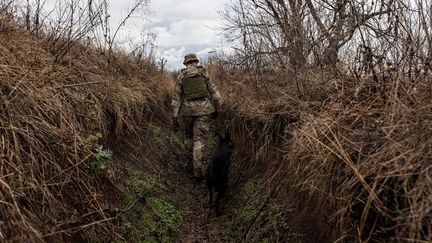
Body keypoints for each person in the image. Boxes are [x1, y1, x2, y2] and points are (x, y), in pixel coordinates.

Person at [172, 53, 221, 180]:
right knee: (199, 140)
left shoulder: (181, 76)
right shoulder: (204, 73)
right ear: (196, 62)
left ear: (186, 63)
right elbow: (215, 94)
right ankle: (198, 170)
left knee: (189, 137)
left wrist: (175, 117)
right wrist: (217, 110)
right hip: (204, 111)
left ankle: (190, 163)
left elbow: (176, 99)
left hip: (187, 112)